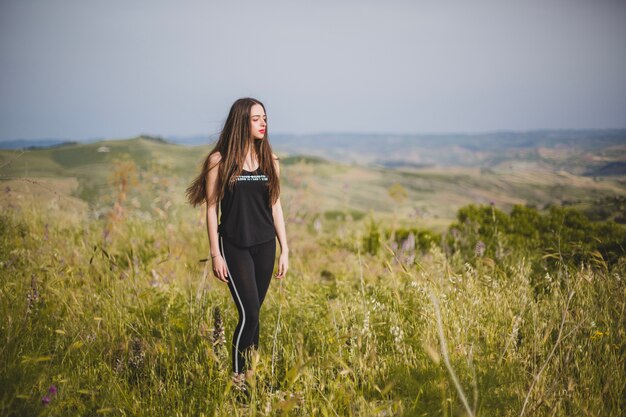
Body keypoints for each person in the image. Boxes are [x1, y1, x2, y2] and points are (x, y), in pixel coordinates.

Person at [186, 97, 289, 386]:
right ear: (242, 122)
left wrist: (285, 249)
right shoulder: (219, 161)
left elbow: (276, 206)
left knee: (255, 316)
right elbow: (211, 208)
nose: (263, 123)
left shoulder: (271, 160)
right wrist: (215, 254)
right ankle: (238, 380)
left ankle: (251, 378)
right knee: (250, 314)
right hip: (234, 247)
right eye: (256, 118)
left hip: (265, 245)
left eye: (265, 118)